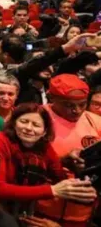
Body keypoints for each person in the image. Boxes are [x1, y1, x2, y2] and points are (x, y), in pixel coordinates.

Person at [0, 103, 96, 222]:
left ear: (44, 131)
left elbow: (59, 176)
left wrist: (80, 185)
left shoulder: (44, 147)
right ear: (14, 123)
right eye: (24, 121)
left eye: (36, 125)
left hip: (24, 212)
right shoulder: (0, 139)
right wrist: (53, 190)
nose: (29, 128)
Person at [37, 74, 101, 225]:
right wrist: (61, 162)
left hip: (83, 213)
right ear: (51, 98)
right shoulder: (35, 118)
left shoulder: (96, 122)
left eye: (82, 104)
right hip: (42, 210)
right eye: (69, 105)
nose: (77, 110)